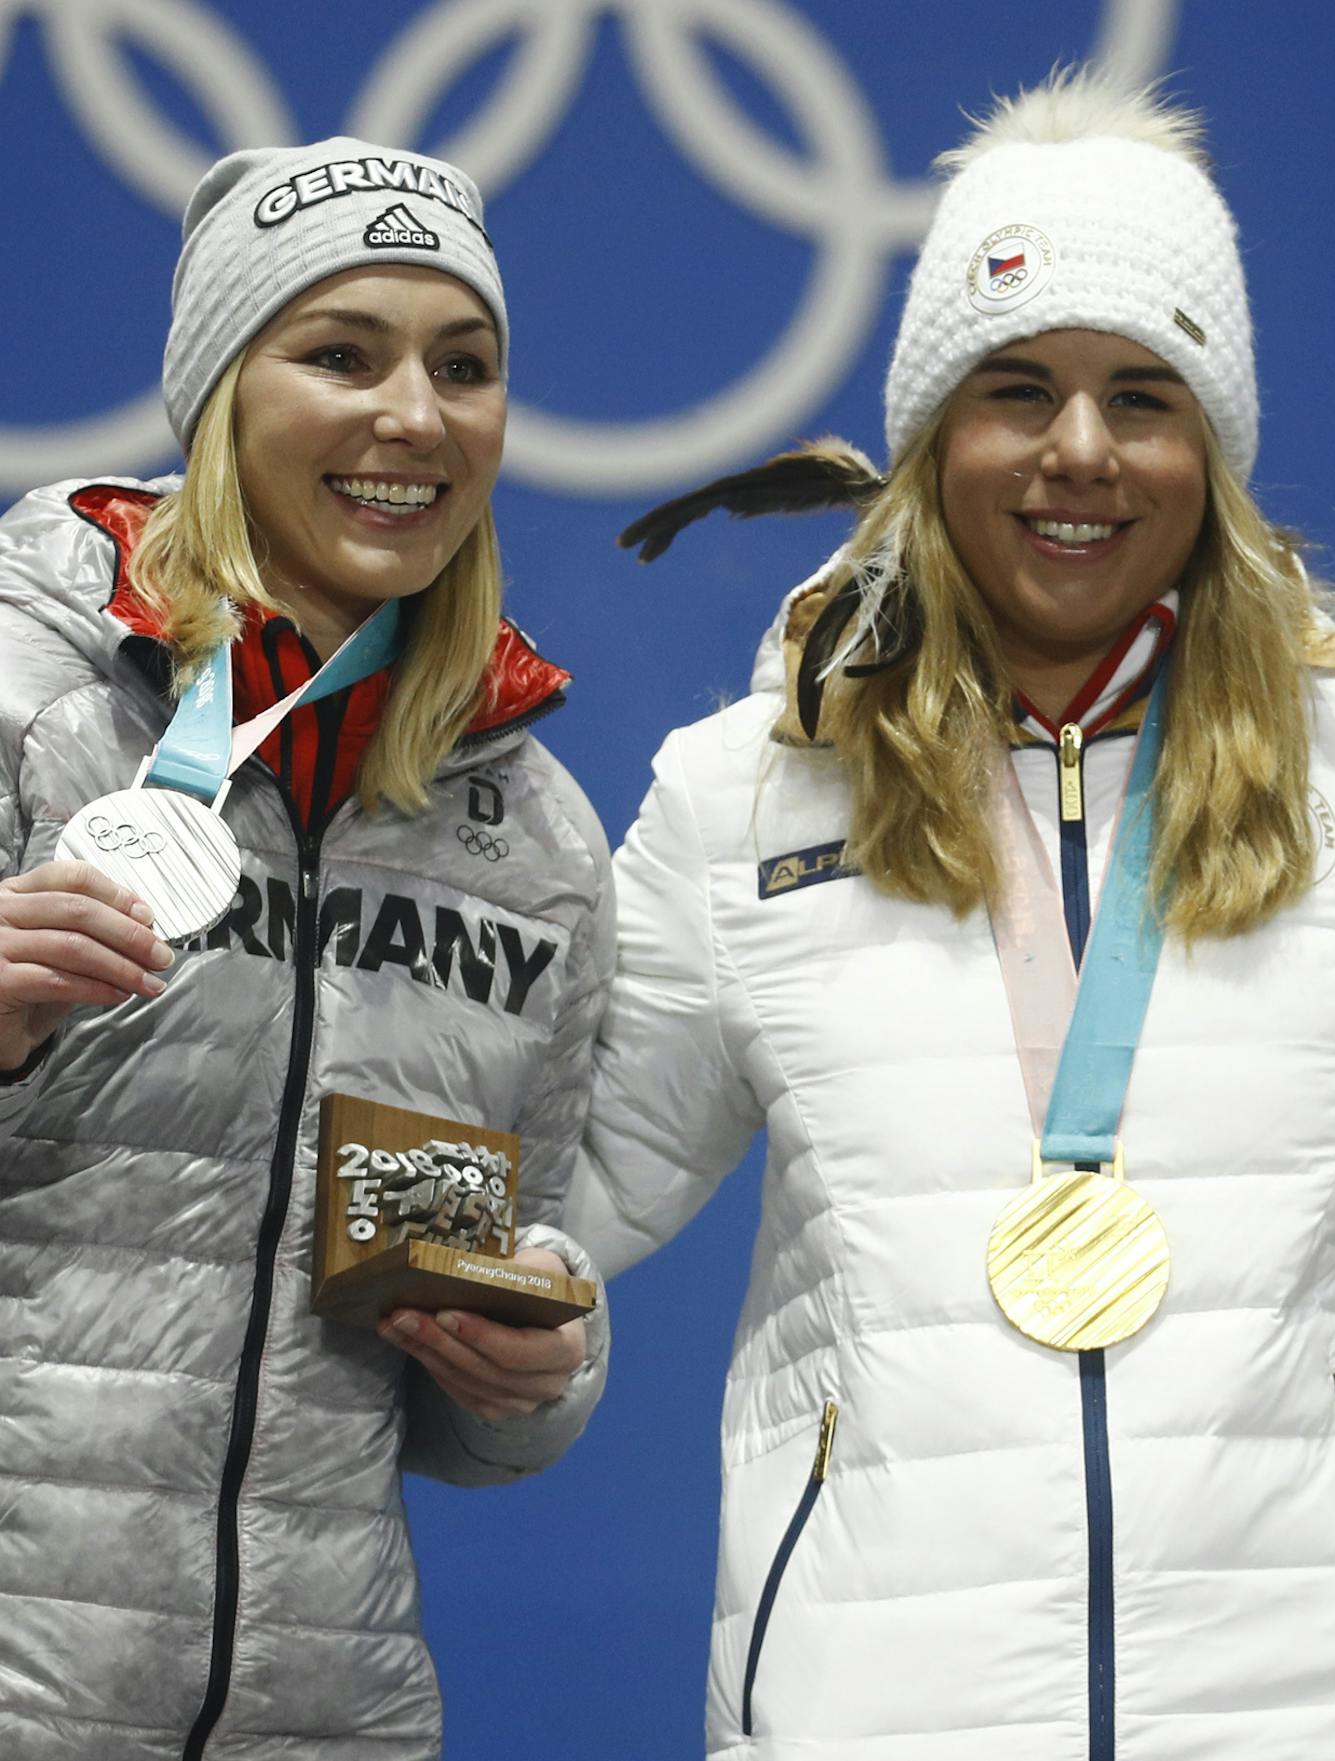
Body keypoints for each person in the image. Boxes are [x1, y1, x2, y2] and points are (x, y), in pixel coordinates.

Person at [567, 71, 1335, 1761]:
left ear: (1213, 447)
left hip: (1316, 1714)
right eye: (1019, 390)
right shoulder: (750, 794)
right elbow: (556, 1173)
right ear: (936, 439)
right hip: (873, 1716)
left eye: (1145, 395)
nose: (1081, 450)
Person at [0, 139, 613, 1759]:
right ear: (221, 393)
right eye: (340, 353)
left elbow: (460, 1409)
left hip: (322, 1716)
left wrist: (535, 1354)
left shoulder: (535, 837)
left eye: (463, 366)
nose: (416, 416)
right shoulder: (23, 694)